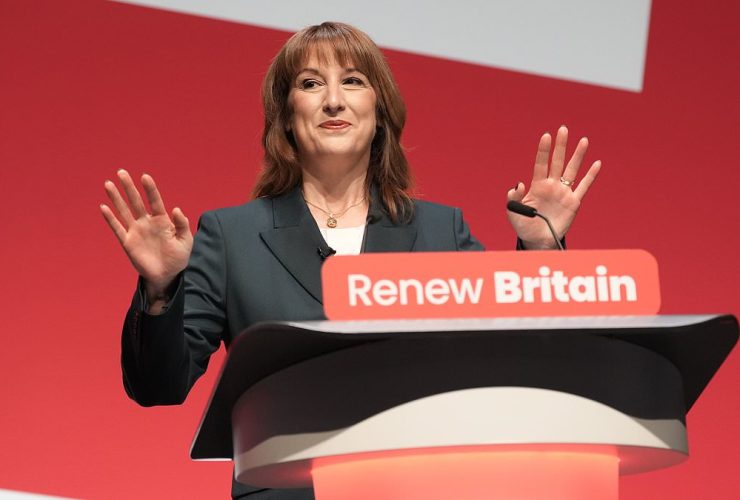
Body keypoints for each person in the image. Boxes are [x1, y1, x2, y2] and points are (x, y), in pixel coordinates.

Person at [100, 21, 600, 500]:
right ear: (286, 115)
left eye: (353, 81)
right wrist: (162, 289)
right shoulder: (233, 236)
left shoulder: (439, 231)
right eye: (311, 83)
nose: (333, 100)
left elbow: (513, 361)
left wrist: (541, 250)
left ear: (379, 111)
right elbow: (157, 386)